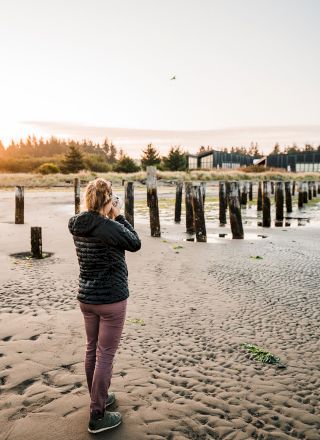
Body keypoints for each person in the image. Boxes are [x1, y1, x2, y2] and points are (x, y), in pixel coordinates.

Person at [68, 177, 141, 434]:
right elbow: (135, 243)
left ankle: (98, 397)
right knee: (105, 355)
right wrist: (118, 216)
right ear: (108, 200)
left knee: (92, 350)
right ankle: (97, 415)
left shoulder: (76, 223)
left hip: (87, 297)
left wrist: (108, 213)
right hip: (111, 299)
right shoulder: (109, 226)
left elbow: (97, 224)